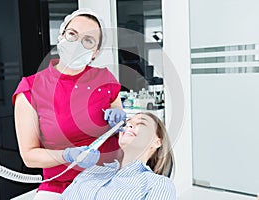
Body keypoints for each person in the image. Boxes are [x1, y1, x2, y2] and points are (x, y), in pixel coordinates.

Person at [12, 8, 126, 199]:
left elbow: (117, 116)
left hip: (110, 180)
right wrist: (66, 155)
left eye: (88, 41)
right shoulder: (31, 88)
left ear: (95, 52)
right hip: (60, 186)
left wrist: (118, 118)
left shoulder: (105, 78)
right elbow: (29, 156)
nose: (77, 44)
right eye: (72, 34)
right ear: (61, 37)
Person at [60, 112, 176, 200]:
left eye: (141, 124)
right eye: (127, 123)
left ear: (156, 142)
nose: (129, 125)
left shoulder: (157, 184)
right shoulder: (92, 171)